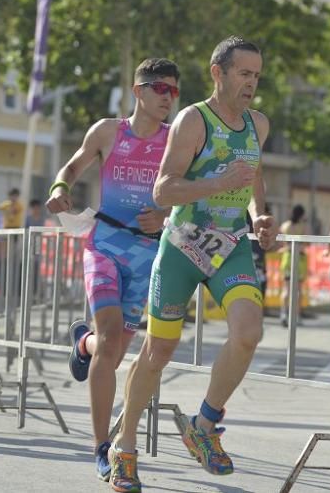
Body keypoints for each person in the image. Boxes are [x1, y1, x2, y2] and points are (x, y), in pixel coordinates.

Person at [108, 37, 277, 492]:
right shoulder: (192, 120)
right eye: (245, 74)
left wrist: (260, 215)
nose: (252, 84)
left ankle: (204, 425)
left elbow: (255, 171)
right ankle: (123, 448)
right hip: (183, 245)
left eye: (257, 76)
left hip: (231, 245)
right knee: (158, 352)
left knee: (248, 332)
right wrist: (218, 181)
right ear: (217, 73)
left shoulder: (257, 124)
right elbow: (163, 191)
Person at [46, 57, 179, 481]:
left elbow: (187, 197)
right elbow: (73, 165)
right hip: (104, 244)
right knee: (109, 341)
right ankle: (103, 446)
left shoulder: (176, 139)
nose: (169, 98)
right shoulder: (108, 131)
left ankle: (80, 343)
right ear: (138, 91)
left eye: (175, 91)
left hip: (148, 255)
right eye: (162, 89)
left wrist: (166, 215)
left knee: (114, 351)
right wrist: (60, 188)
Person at [279, 204, 309, 327]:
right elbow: (307, 242)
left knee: (286, 288)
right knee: (298, 290)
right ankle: (297, 316)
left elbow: (281, 242)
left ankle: (283, 314)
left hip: (287, 257)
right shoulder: (303, 227)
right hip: (299, 258)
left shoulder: (285, 226)